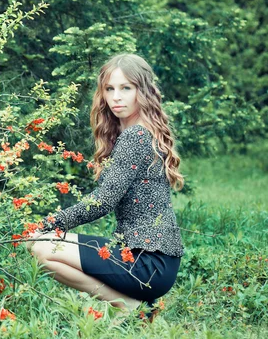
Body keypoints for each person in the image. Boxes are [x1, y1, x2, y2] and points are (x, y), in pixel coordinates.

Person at [27, 53, 185, 323]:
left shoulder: (135, 135)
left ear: (142, 91)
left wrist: (50, 222)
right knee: (43, 244)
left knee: (42, 245)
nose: (116, 97)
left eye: (126, 88)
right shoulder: (139, 132)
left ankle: (129, 306)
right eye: (110, 89)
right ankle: (135, 307)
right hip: (150, 262)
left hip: (147, 264)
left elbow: (103, 201)